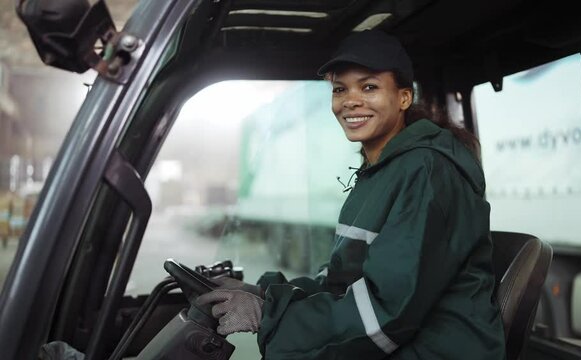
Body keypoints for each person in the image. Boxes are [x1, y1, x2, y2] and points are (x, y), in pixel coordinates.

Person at [198, 30, 506, 359]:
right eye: (340, 89)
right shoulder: (382, 172)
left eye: (369, 87)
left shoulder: (425, 172)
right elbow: (342, 283)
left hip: (439, 349)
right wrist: (264, 295)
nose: (350, 101)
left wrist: (269, 317)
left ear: (403, 97)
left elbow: (388, 311)